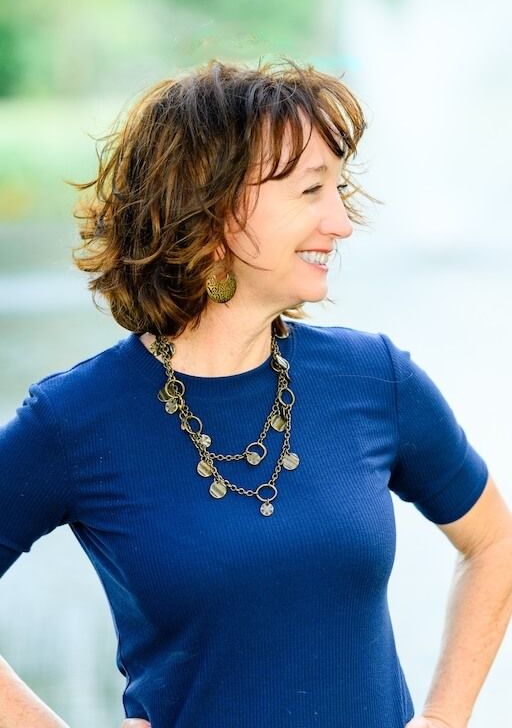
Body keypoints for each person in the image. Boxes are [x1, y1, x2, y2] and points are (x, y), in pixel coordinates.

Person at [0, 59, 511, 728]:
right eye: (310, 190)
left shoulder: (374, 378)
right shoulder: (75, 420)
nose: (340, 222)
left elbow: (494, 543)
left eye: (338, 188)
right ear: (212, 207)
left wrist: (444, 718)